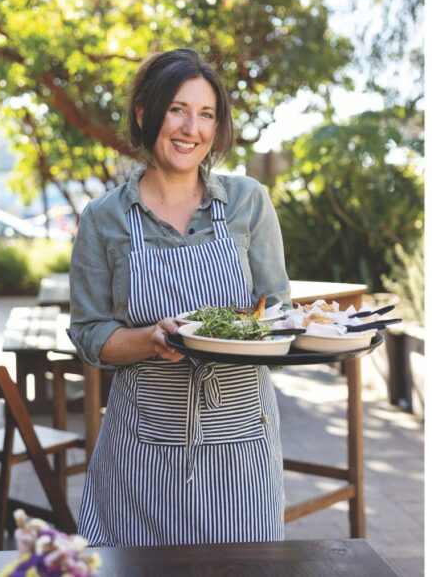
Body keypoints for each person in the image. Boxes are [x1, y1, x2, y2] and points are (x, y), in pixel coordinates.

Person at [68, 48, 291, 546]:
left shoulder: (248, 202)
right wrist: (151, 339)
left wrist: (260, 332)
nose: (192, 128)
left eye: (206, 114)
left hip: (241, 449)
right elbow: (89, 334)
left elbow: (277, 312)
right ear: (146, 115)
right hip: (141, 452)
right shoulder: (103, 219)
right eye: (178, 109)